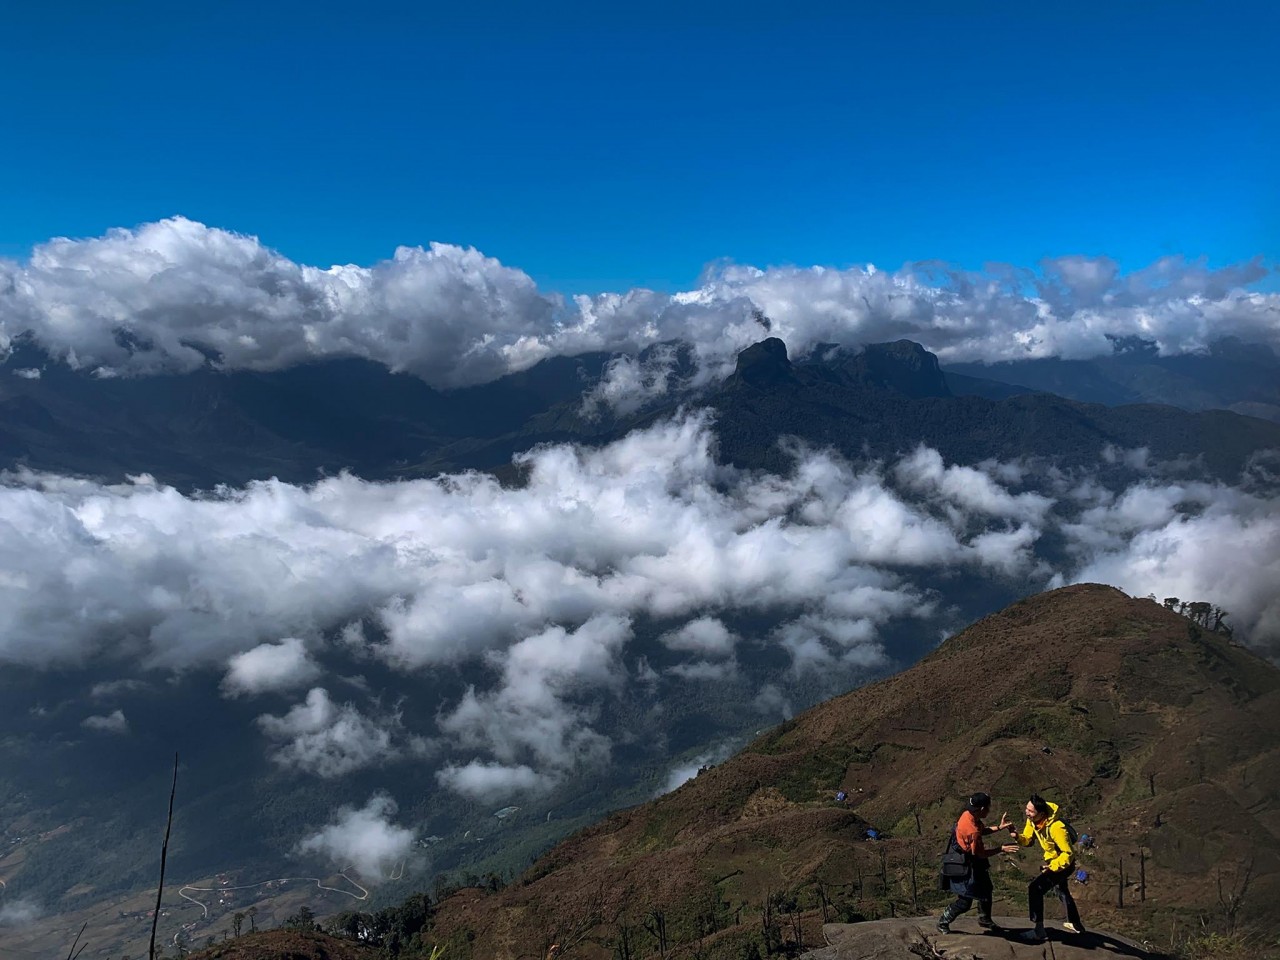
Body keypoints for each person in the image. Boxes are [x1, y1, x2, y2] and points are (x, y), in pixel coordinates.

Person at [937, 792, 1019, 934]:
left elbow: (982, 831)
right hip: (967, 865)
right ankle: (943, 922)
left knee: (986, 889)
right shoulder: (972, 830)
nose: (989, 810)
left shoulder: (968, 815)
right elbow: (980, 854)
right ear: (982, 809)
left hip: (969, 861)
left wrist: (1000, 827)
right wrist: (1001, 849)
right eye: (988, 808)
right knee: (965, 901)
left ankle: (984, 919)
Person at [1010, 794, 1085, 942]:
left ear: (1042, 814)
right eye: (1027, 809)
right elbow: (1028, 840)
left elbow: (1068, 854)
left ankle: (1039, 930)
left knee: (1035, 888)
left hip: (1063, 864)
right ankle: (1076, 925)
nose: (1027, 813)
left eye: (1030, 811)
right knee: (1062, 891)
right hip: (1053, 862)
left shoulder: (1057, 827)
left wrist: (1052, 867)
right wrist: (1016, 836)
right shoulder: (1033, 821)